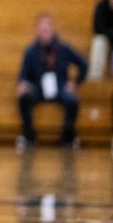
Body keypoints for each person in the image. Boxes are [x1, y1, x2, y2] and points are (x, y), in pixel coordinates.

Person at [17, 13, 87, 150]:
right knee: (24, 97)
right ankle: (28, 136)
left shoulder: (63, 49)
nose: (44, 31)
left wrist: (75, 83)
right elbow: (23, 74)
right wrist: (22, 83)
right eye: (42, 28)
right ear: (37, 30)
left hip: (60, 86)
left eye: (47, 27)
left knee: (72, 100)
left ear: (52, 28)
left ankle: (67, 137)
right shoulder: (31, 51)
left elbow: (83, 64)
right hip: (39, 88)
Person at [89, 0, 113, 81]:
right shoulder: (101, 6)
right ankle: (95, 80)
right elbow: (97, 28)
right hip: (107, 39)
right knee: (99, 42)